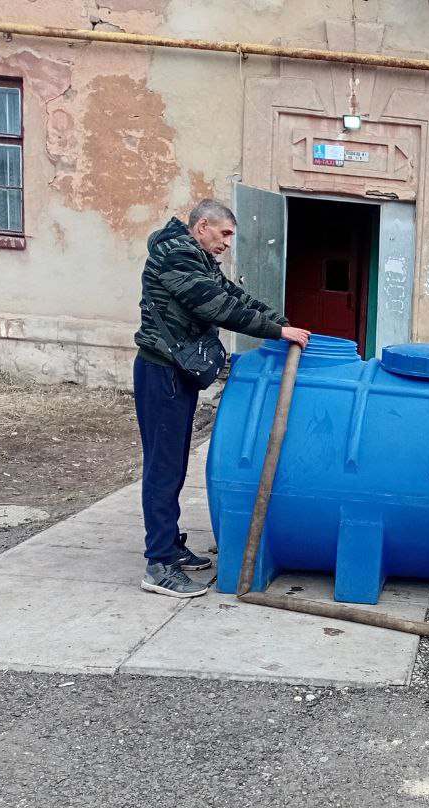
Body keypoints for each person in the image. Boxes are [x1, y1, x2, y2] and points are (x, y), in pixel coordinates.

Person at [133, 198, 310, 598]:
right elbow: (215, 306)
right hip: (161, 372)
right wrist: (275, 332)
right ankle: (158, 563)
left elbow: (232, 295)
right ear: (202, 227)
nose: (228, 243)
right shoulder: (176, 257)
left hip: (175, 373)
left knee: (174, 464)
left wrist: (283, 323)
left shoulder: (195, 258)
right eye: (225, 233)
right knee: (162, 467)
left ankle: (169, 546)